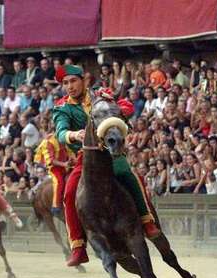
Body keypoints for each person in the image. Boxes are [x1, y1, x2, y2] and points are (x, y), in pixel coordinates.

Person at [53, 65, 160, 267]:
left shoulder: (101, 96)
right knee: (68, 194)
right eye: (65, 83)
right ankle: (78, 246)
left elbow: (127, 106)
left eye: (72, 81)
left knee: (128, 174)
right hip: (86, 159)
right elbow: (60, 132)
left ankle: (147, 221)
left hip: (112, 153)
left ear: (83, 81)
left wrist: (116, 113)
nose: (69, 86)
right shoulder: (62, 108)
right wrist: (74, 135)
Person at [34, 132, 73, 215]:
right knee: (59, 182)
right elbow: (51, 161)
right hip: (55, 168)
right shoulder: (48, 142)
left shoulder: (65, 138)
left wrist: (73, 160)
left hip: (66, 165)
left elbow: (69, 152)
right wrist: (65, 164)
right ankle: (56, 205)